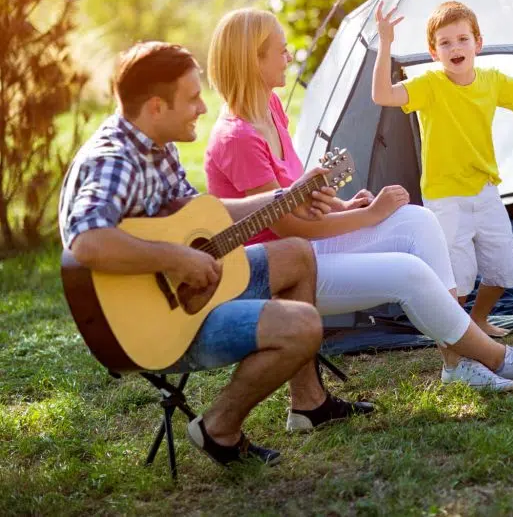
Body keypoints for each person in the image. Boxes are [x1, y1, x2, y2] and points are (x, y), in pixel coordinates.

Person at [204, 8, 513, 391]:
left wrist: (345, 207)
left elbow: (293, 197)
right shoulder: (238, 138)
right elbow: (286, 226)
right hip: (280, 270)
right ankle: (498, 357)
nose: (289, 57)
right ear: (253, 60)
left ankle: (456, 363)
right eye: (281, 51)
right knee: (407, 271)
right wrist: (370, 216)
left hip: (311, 246)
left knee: (419, 220)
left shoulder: (271, 109)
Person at [58, 41, 364, 469]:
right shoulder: (114, 159)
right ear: (157, 106)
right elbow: (87, 243)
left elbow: (207, 215)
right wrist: (174, 259)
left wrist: (287, 196)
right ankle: (219, 426)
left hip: (189, 289)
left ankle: (308, 404)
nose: (203, 108)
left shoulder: (156, 146)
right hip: (154, 323)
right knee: (303, 325)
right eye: (192, 98)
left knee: (297, 254)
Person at [371, 0, 513, 336]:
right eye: (445, 43)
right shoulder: (429, 85)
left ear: (478, 43)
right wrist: (386, 42)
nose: (455, 48)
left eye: (462, 39)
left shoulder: (490, 80)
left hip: (485, 190)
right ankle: (457, 336)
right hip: (445, 197)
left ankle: (477, 321)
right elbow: (383, 95)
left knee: (504, 268)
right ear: (434, 52)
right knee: (455, 279)